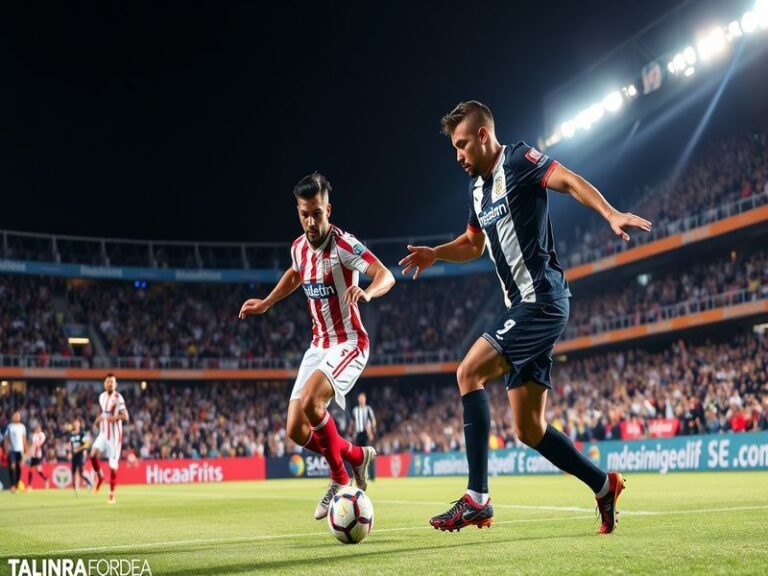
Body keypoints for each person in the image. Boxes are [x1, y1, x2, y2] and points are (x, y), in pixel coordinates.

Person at [399, 101, 652, 534]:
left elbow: (569, 180)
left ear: (482, 136)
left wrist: (610, 213)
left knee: (468, 373)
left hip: (543, 300)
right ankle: (603, 484)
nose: (457, 156)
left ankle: (477, 498)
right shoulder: (477, 191)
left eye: (461, 145)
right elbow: (473, 244)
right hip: (520, 306)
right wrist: (436, 254)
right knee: (529, 428)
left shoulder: (518, 160)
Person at [239, 172, 395, 519]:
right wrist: (266, 303)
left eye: (317, 213)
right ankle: (355, 456)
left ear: (329, 209)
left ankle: (340, 479)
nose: (311, 221)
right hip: (319, 345)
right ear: (299, 211)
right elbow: (296, 273)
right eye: (304, 214)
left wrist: (368, 291)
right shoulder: (298, 247)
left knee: (312, 402)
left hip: (350, 342)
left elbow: (385, 273)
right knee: (295, 428)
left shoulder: (343, 245)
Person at [89, 374, 129, 504]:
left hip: (114, 436)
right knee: (92, 454)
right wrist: (99, 419)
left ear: (115, 384)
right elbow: (104, 413)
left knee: (112, 465)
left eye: (112, 382)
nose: (109, 384)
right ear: (104, 384)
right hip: (103, 433)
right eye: (107, 382)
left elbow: (126, 416)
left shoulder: (118, 398)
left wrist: (115, 418)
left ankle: (112, 494)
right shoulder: (102, 397)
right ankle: (100, 476)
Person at [350, 392, 377, 481]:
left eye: (363, 398)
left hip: (366, 434)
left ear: (365, 399)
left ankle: (372, 476)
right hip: (358, 434)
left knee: (369, 454)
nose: (361, 400)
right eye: (360, 398)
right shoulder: (355, 410)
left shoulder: (368, 409)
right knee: (358, 455)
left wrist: (372, 431)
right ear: (358, 399)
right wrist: (351, 432)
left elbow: (373, 420)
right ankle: (359, 475)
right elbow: (352, 422)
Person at [5, 411, 27, 493]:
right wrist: (6, 448)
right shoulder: (10, 427)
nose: (18, 417)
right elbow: (6, 438)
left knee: (19, 467)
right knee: (12, 466)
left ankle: (17, 483)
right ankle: (12, 485)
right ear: (13, 417)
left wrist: (26, 450)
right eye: (16, 416)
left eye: (19, 416)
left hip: (20, 450)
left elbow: (24, 439)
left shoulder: (22, 427)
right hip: (12, 450)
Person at [69, 419, 92, 494]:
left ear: (79, 425)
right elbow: (71, 445)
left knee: (81, 472)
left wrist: (78, 449)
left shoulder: (82, 434)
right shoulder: (72, 434)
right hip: (74, 455)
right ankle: (75, 488)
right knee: (73, 472)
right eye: (74, 423)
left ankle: (89, 482)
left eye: (77, 423)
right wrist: (69, 452)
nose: (75, 425)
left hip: (80, 455)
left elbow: (87, 444)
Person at [27, 424, 49, 489]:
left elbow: (40, 444)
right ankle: (45, 479)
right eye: (36, 428)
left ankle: (29, 485)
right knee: (37, 470)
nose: (37, 429)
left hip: (38, 455)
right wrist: (31, 452)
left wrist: (35, 451)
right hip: (34, 455)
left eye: (38, 428)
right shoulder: (34, 435)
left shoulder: (42, 435)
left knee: (33, 469)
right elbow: (34, 444)